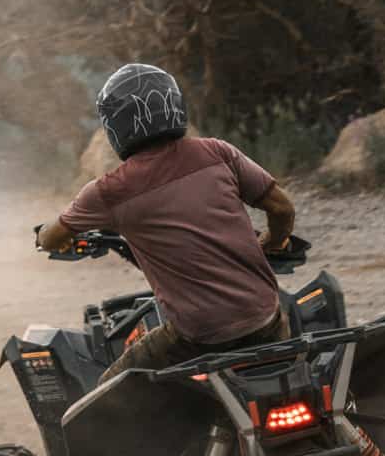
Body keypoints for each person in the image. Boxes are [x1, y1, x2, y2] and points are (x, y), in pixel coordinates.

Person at [35, 63, 296, 383]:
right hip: (265, 319)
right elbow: (282, 208)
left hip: (200, 334)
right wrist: (272, 241)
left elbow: (51, 238)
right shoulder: (218, 152)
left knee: (110, 387)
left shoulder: (109, 192)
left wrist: (46, 235)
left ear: (116, 125)